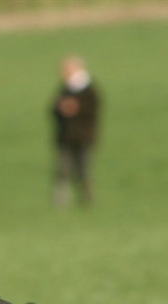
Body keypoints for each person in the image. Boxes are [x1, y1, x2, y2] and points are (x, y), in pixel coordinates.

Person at [51, 56, 100, 208]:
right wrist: (61, 108)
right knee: (62, 170)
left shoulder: (89, 90)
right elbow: (52, 107)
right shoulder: (65, 89)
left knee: (83, 170)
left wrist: (76, 108)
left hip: (83, 137)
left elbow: (93, 110)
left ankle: (86, 199)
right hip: (66, 137)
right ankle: (61, 201)